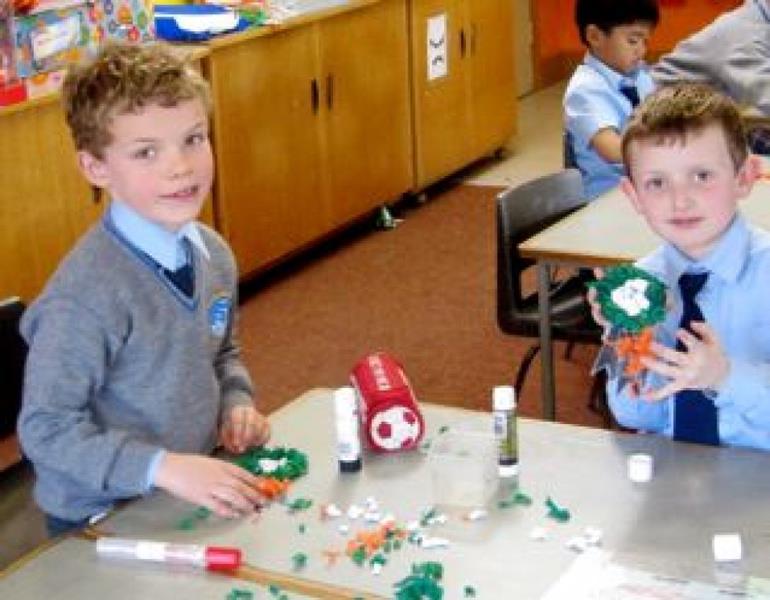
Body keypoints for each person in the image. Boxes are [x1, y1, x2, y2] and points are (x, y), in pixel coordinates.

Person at [17, 42, 271, 537]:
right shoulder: (85, 297)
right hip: (98, 516)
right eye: (146, 151)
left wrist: (236, 402)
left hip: (182, 490)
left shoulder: (213, 254)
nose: (180, 167)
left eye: (193, 139)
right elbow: (45, 430)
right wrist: (163, 467)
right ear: (95, 167)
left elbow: (222, 354)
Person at [591, 83, 770, 451]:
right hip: (678, 479)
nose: (680, 200)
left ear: (744, 177)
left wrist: (725, 376)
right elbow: (636, 415)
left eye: (701, 176)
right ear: (633, 195)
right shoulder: (643, 283)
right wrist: (626, 338)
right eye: (657, 183)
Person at [564, 0, 660, 200]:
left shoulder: (640, 75)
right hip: (607, 199)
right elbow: (612, 149)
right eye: (633, 41)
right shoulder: (585, 90)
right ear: (595, 36)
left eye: (645, 42)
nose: (641, 51)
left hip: (646, 189)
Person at [652, 0, 770, 154]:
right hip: (660, 123)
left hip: (706, 121)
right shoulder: (746, 33)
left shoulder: (759, 20)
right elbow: (763, 97)